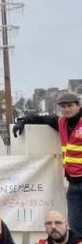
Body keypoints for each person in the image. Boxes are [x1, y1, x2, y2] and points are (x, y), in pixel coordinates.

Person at [13, 92, 82, 234]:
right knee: (75, 227)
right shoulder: (61, 122)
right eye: (63, 106)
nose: (66, 109)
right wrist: (23, 121)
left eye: (70, 105)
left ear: (78, 106)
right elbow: (41, 118)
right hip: (73, 185)